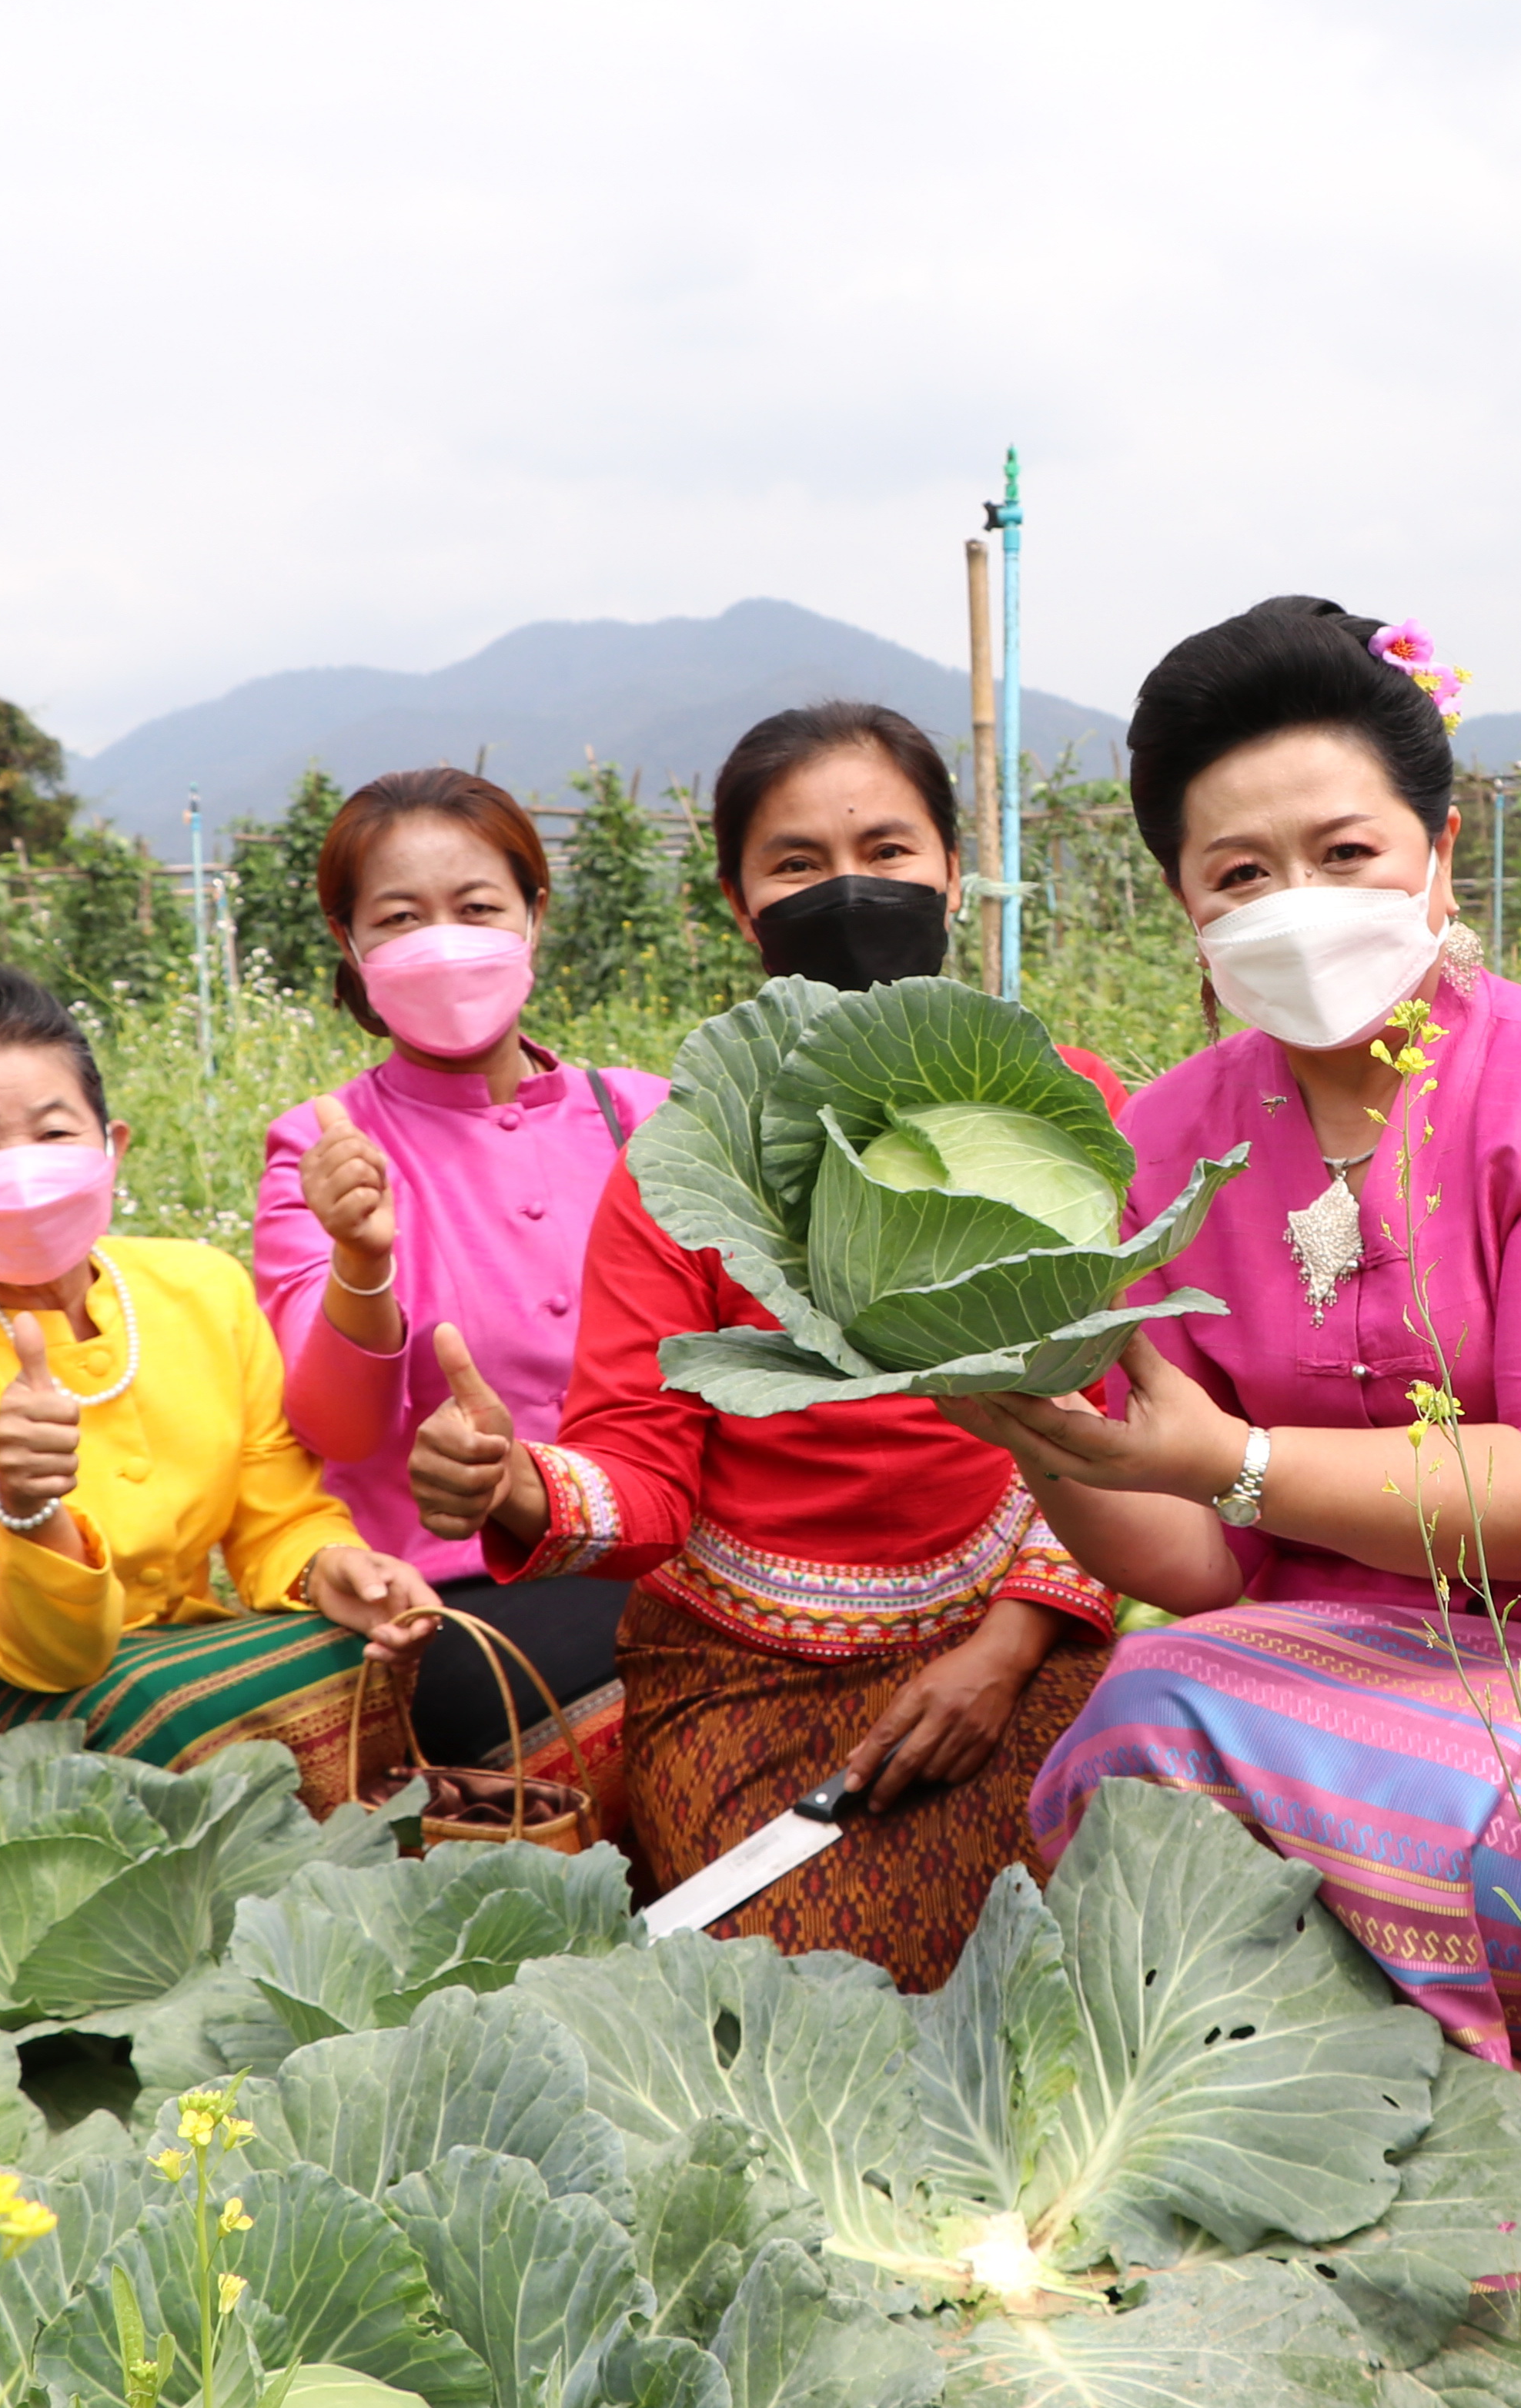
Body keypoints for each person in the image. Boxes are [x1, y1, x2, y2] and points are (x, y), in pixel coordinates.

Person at [990, 597, 1521, 2251]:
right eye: (1240, 874)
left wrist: (1233, 1457)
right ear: (1183, 906)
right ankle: (1320, 2112)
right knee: (1137, 1713)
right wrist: (1040, 1431)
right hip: (1351, 1670)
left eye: (1346, 850)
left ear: (1442, 854)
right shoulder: (1163, 1144)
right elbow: (1206, 1564)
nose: (1297, 904)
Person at [450, 702, 1118, 1988]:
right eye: (798, 865)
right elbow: (642, 1469)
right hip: (743, 1668)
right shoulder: (681, 1168)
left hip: (1015, 1634)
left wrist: (1014, 1642)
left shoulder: (1066, 1105)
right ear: (737, 902)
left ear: (955, 872)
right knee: (793, 1990)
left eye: (888, 849)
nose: (851, 891)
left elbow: (1122, 1399)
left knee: (1100, 1948)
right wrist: (524, 1486)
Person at [0, 962, 446, 1834]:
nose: (22, 1170)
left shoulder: (202, 1289)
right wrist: (33, 1514)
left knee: (372, 1651)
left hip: (180, 1661)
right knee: (162, 1705)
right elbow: (44, 1653)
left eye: (52, 1132)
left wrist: (331, 1567)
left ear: (111, 1147)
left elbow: (278, 1518)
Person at [256, 769, 660, 1809]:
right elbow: (335, 1431)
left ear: (535, 914)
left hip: (668, 1548)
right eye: (400, 918)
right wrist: (360, 1261)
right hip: (463, 1592)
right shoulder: (324, 1144)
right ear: (351, 946)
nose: (444, 940)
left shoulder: (647, 1117)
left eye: (477, 907)